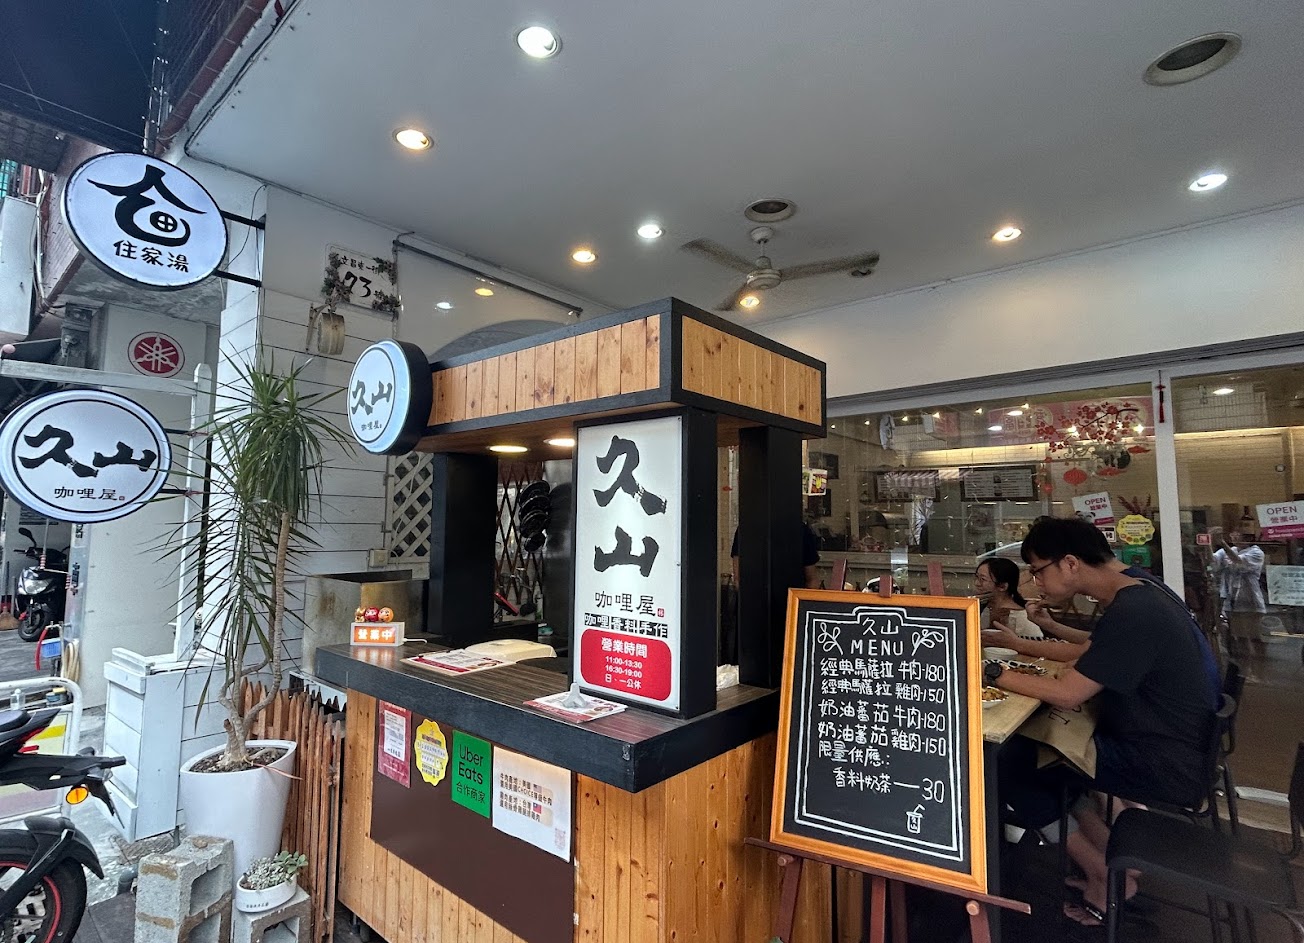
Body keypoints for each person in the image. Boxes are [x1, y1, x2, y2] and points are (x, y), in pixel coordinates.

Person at [988, 516, 1217, 926]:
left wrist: (989, 673)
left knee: (1012, 762)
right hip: (1174, 745)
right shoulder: (1141, 590)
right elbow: (1089, 652)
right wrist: (1025, 642)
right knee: (1047, 750)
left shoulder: (1135, 611)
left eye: (1038, 571)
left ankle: (1103, 874)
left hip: (1162, 761)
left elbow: (1069, 692)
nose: (1036, 582)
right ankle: (1115, 855)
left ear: (1070, 563)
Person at [1211, 526, 1267, 664]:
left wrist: (1222, 543)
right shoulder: (1228, 550)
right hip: (1230, 600)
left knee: (1250, 636)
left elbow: (1238, 561)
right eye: (1232, 533)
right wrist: (1207, 542)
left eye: (1238, 534)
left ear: (1247, 537)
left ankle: (1257, 666)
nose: (1233, 536)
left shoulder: (1256, 552)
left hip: (1249, 600)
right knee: (1232, 636)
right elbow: (1212, 561)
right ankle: (1240, 666)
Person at [730, 523, 821, 590]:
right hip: (789, 601)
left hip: (753, 602)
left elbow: (737, 579)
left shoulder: (746, 528)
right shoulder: (801, 530)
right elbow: (812, 580)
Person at [974, 557, 1027, 629]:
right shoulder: (984, 610)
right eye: (977, 577)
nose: (977, 583)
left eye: (983, 579)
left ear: (1002, 586)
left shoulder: (1022, 617)